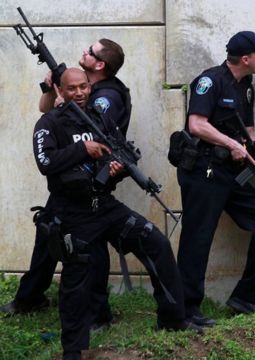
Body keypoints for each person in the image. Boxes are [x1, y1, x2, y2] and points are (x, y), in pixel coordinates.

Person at [32, 68, 201, 360]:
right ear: (61, 90)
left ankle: (174, 320)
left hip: (106, 207)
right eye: (72, 88)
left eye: (84, 87)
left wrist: (114, 171)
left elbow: (114, 156)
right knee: (76, 282)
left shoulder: (101, 119)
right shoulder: (49, 123)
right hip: (73, 213)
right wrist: (83, 149)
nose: (80, 93)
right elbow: (46, 162)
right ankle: (73, 350)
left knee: (156, 243)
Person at [1, 39, 131, 328]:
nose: (83, 51)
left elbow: (94, 132)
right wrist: (52, 89)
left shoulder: (105, 97)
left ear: (98, 66)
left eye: (90, 52)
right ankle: (30, 296)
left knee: (92, 248)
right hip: (69, 181)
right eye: (73, 87)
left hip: (92, 184)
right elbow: (46, 111)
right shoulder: (82, 90)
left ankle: (97, 313)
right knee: (49, 233)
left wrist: (65, 100)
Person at [176, 31, 255, 325]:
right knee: (197, 239)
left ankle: (246, 298)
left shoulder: (246, 86)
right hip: (203, 171)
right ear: (246, 58)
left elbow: (248, 132)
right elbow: (196, 124)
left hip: (231, 173)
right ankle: (186, 311)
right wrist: (231, 144)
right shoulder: (210, 81)